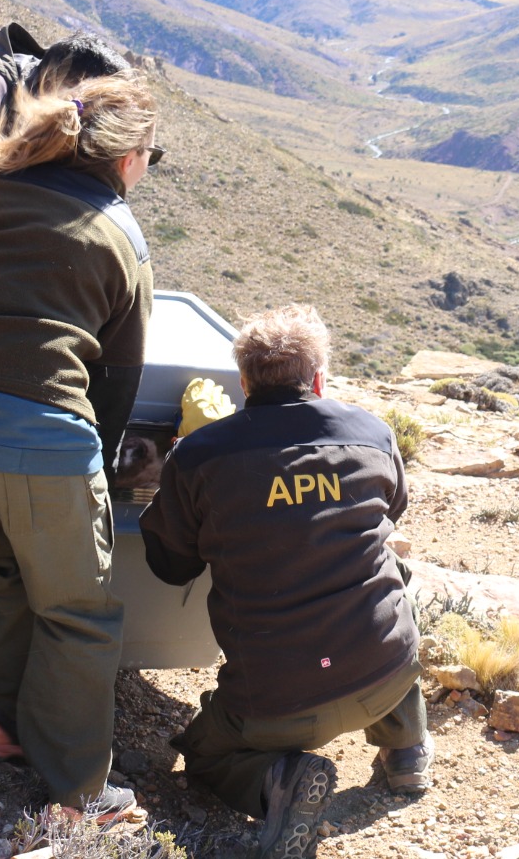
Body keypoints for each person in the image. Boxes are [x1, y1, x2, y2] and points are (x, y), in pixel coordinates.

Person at [139, 304, 430, 859]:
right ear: (318, 376)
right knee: (385, 580)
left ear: (243, 382)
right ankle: (407, 750)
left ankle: (284, 780)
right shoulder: (372, 432)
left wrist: (193, 463)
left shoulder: (201, 454)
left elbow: (170, 565)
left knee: (204, 754)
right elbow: (393, 509)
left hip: (277, 704)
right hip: (388, 670)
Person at [0, 58, 159, 820]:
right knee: (76, 614)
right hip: (43, 440)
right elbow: (117, 383)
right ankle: (79, 794)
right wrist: (110, 475)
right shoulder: (119, 232)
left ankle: (4, 732)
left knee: (1, 588)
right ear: (127, 158)